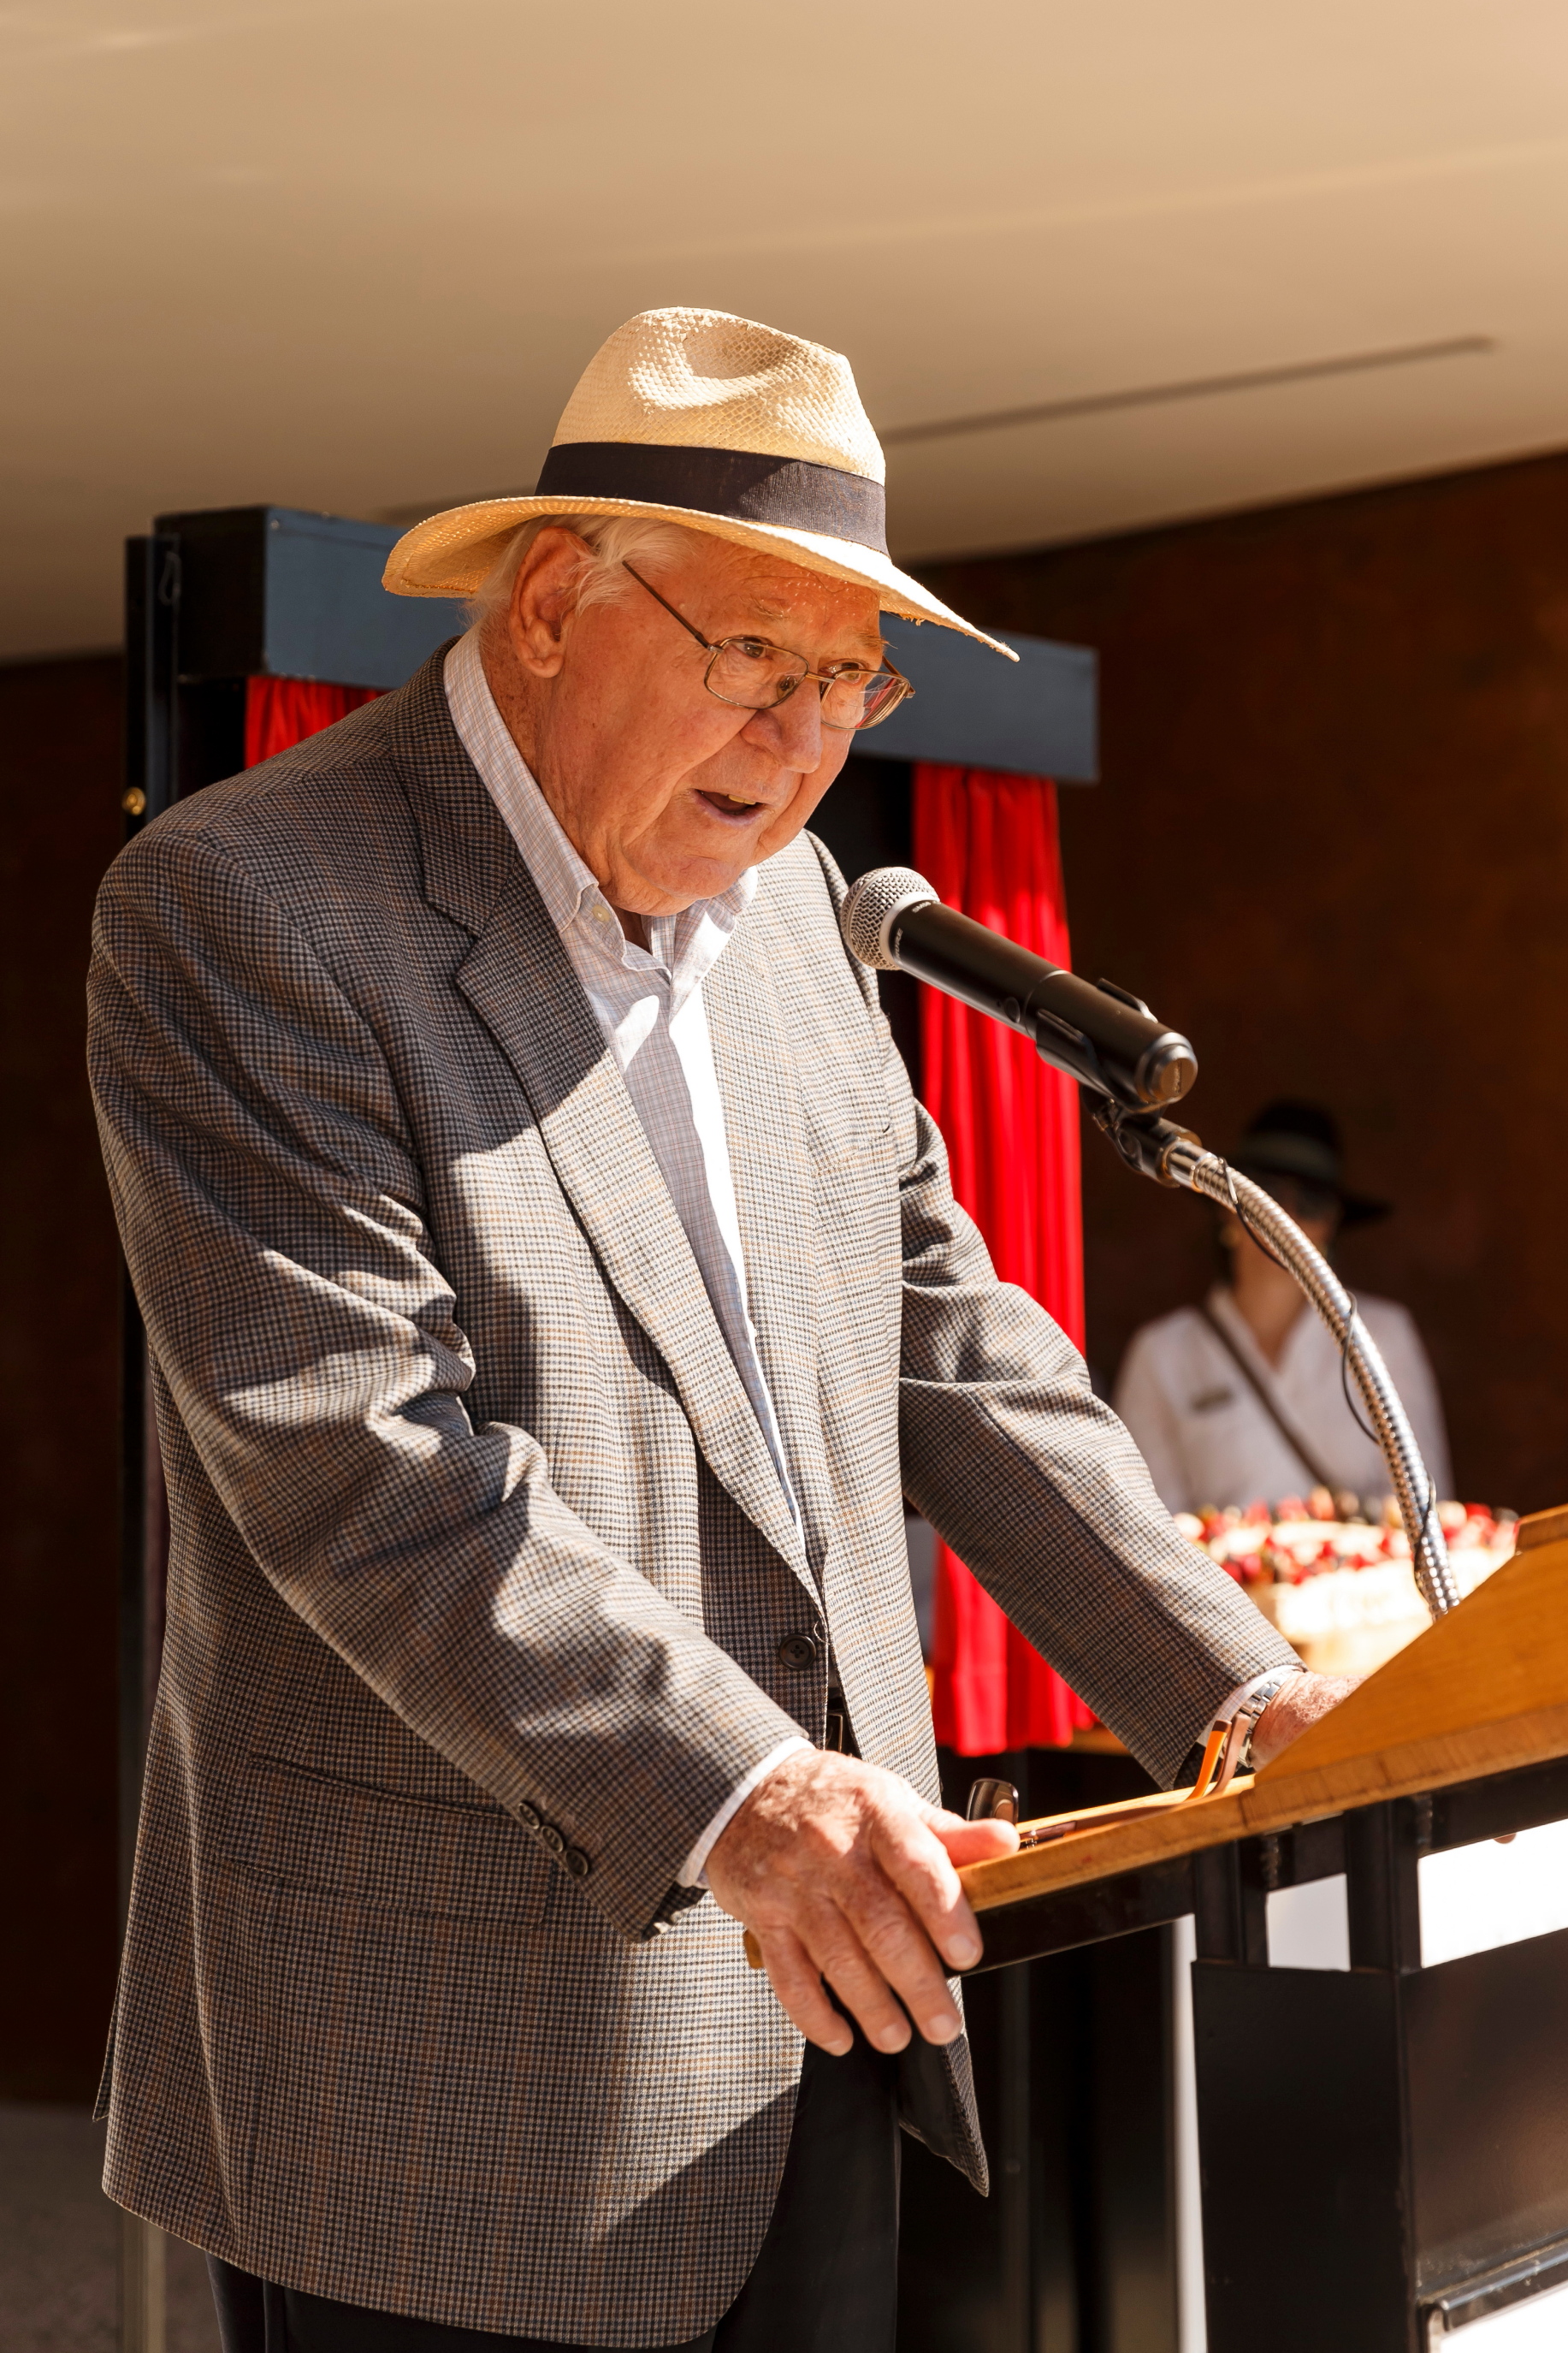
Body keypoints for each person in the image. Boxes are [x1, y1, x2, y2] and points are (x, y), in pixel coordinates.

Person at [88, 309, 1349, 2353]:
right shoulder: (245, 901)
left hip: (827, 2022)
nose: (795, 739)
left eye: (846, 679)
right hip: (436, 2105)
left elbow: (943, 1337)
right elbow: (357, 1457)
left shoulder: (790, 915)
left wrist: (1238, 1704)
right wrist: (743, 1786)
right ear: (556, 601)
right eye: (750, 658)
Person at [1114, 1100, 1453, 1517]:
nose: (1285, 1219)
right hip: (1219, 1581)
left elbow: (1428, 1509)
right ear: (1226, 1209)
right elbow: (1147, 1528)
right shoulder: (1161, 1353)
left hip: (1364, 1578)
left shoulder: (1384, 1334)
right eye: (1266, 1195)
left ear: (1330, 1225)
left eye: (1310, 1202)